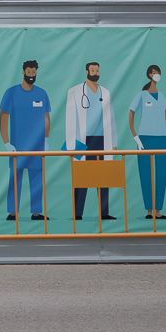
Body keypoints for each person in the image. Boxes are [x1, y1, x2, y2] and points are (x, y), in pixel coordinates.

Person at [63, 60, 117, 221]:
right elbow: (70, 119)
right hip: (83, 141)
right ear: (87, 71)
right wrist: (71, 146)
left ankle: (104, 212)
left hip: (103, 140)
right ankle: (77, 213)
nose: (95, 73)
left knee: (103, 176)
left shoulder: (105, 92)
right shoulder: (74, 91)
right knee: (81, 177)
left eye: (97, 70)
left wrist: (113, 143)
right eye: (92, 70)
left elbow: (111, 119)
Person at [0, 59, 50, 221]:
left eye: (34, 72)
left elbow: (46, 118)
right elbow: (3, 118)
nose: (31, 75)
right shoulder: (11, 93)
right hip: (17, 146)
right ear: (23, 72)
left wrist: (46, 139)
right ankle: (13, 212)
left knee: (37, 179)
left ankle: (36, 212)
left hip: (37, 146)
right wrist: (6, 142)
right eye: (29, 72)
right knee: (15, 178)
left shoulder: (42, 94)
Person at [127, 64, 166, 219]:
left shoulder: (162, 96)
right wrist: (135, 136)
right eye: (155, 73)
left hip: (161, 138)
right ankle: (149, 209)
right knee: (145, 174)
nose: (157, 76)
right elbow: (131, 114)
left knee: (161, 174)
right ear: (150, 74)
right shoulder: (142, 95)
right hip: (144, 139)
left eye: (159, 73)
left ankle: (158, 210)